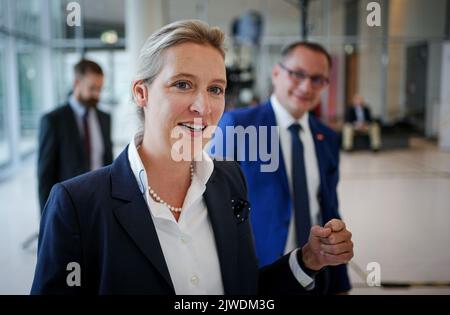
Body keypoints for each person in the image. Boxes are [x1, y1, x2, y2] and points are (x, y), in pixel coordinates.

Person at [31, 20, 353, 295]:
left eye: (215, 89)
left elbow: (244, 292)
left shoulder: (229, 181)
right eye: (183, 84)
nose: (204, 106)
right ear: (141, 93)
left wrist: (307, 260)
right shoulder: (76, 205)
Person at [211, 42, 351, 294]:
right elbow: (214, 207)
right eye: (297, 74)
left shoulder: (327, 138)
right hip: (260, 275)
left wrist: (340, 281)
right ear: (276, 73)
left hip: (316, 277)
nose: (306, 86)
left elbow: (329, 209)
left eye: (318, 79)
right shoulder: (238, 126)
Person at [37, 59, 113, 214]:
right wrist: (46, 216)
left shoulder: (105, 118)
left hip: (100, 201)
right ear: (76, 83)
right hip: (67, 205)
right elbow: (45, 174)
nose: (96, 95)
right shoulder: (53, 120)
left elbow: (108, 162)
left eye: (99, 89)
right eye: (92, 88)